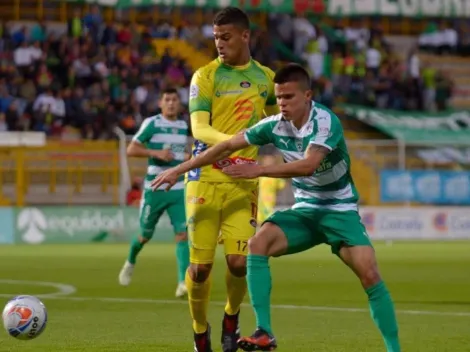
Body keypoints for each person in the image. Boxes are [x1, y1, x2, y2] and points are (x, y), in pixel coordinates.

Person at [151, 64, 401, 352]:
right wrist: (178, 170)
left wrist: (258, 170)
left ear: (308, 95)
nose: (282, 103)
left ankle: (394, 349)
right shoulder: (274, 125)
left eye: (289, 97)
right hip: (306, 210)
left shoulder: (325, 121)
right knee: (257, 244)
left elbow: (308, 166)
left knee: (370, 275)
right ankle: (264, 332)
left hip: (339, 208)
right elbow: (226, 146)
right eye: (279, 97)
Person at [184, 6, 279, 352]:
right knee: (200, 270)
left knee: (239, 262)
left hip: (243, 181)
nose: (219, 44)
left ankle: (231, 315)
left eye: (225, 37)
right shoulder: (205, 77)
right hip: (204, 178)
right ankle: (198, 330)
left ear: (245, 36)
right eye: (215, 38)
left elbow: (278, 123)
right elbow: (199, 128)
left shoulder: (266, 78)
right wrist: (236, 144)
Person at [118, 87, 190, 299]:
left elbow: (177, 154)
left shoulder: (183, 125)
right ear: (160, 103)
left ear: (179, 103)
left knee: (182, 233)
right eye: (167, 99)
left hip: (177, 188)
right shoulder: (152, 123)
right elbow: (131, 149)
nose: (171, 103)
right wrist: (155, 152)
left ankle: (182, 283)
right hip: (155, 189)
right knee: (145, 235)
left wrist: (185, 157)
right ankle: (131, 260)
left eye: (174, 100)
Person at [256, 155, 286, 224]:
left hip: (270, 199)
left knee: (268, 213)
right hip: (260, 198)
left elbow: (281, 185)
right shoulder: (259, 174)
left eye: (271, 162)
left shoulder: (275, 175)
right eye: (267, 161)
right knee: (259, 213)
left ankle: (266, 226)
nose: (269, 163)